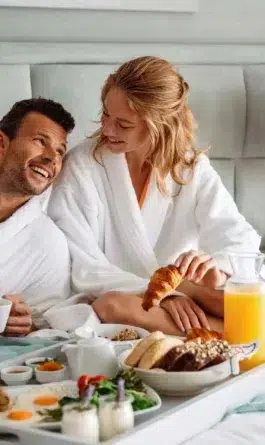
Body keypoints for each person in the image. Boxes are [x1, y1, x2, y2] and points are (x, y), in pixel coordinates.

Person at [48, 56, 260, 335]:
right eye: (106, 116)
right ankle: (237, 334)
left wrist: (216, 267)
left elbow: (241, 241)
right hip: (128, 296)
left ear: (159, 125)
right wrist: (165, 293)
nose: (108, 130)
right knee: (112, 306)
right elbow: (84, 268)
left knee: (248, 295)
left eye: (123, 124)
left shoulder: (189, 168)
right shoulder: (83, 166)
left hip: (187, 297)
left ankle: (226, 329)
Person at [0, 98, 75, 336]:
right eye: (40, 141)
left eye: (60, 152)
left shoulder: (47, 243)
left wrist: (22, 325)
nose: (52, 158)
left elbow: (44, 331)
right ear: (1, 143)